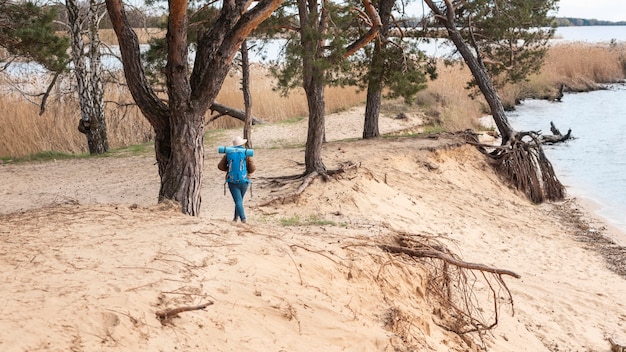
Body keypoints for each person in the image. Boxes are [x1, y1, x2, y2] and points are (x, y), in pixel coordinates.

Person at [218, 136, 256, 223]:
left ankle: (242, 219)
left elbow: (220, 166)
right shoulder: (245, 153)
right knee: (239, 200)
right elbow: (253, 168)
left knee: (237, 200)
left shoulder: (228, 153)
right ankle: (237, 218)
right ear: (242, 144)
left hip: (232, 180)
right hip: (244, 180)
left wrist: (228, 169)